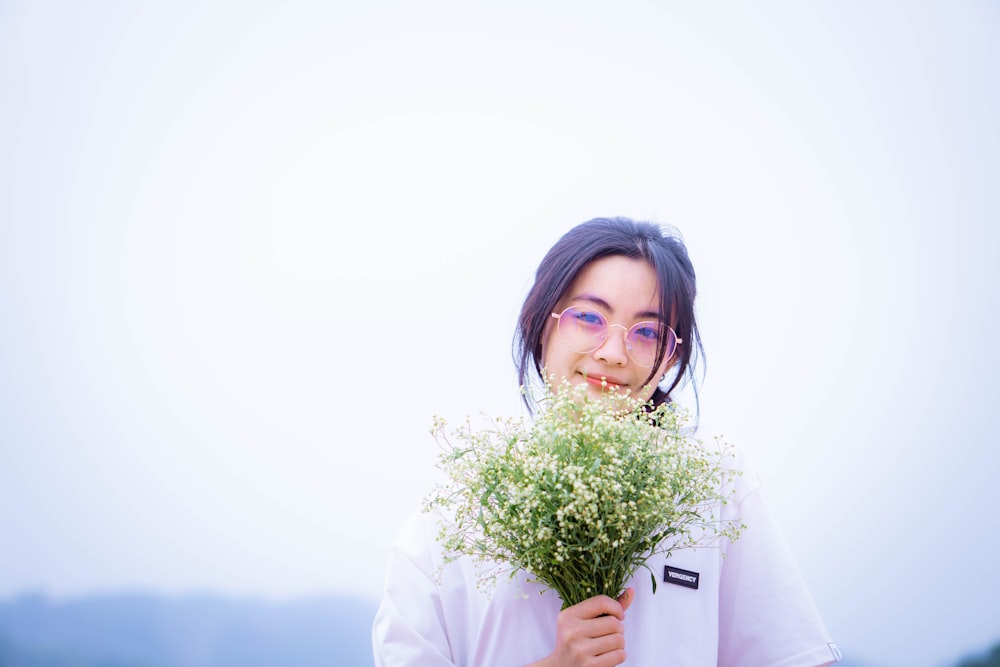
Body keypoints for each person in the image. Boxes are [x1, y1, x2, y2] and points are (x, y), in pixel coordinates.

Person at [372, 217, 841, 666]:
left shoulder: (715, 482)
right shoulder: (450, 521)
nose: (613, 353)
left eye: (648, 332)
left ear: (672, 356)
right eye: (589, 318)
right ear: (541, 323)